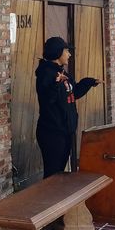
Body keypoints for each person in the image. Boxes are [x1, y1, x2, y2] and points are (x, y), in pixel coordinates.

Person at [35, 36, 101, 178]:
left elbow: (73, 93)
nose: (69, 54)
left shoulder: (62, 72)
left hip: (65, 130)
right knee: (52, 174)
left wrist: (89, 82)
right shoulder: (46, 73)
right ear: (58, 52)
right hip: (52, 131)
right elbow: (47, 99)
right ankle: (50, 193)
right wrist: (56, 84)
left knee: (60, 172)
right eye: (66, 51)